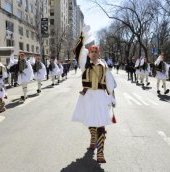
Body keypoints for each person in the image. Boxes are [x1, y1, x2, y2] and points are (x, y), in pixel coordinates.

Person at [72, 32, 117, 163]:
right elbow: (78, 51)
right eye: (91, 52)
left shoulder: (105, 66)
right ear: (89, 54)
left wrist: (113, 98)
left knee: (101, 123)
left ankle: (100, 153)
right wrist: (82, 37)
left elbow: (110, 84)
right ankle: (93, 137)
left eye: (96, 52)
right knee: (91, 121)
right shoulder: (84, 64)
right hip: (88, 96)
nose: (93, 54)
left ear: (99, 53)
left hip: (101, 97)